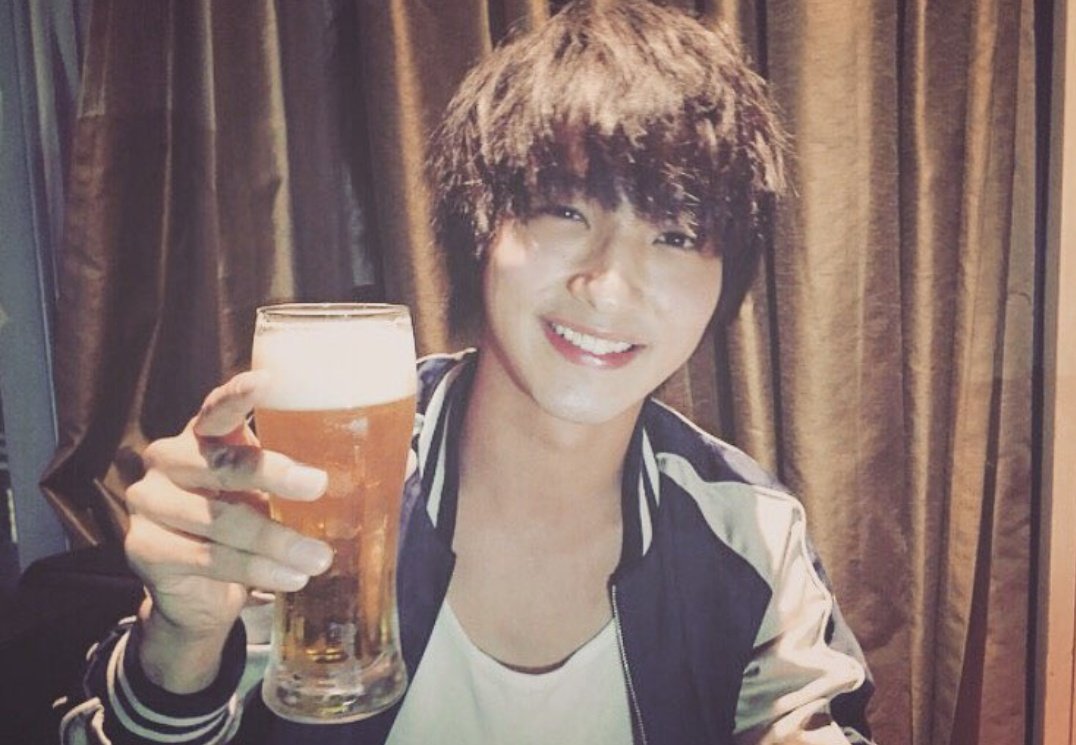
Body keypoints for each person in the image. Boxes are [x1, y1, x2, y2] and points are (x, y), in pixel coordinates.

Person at [61, 2, 875, 743]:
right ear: (480, 228)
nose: (608, 284)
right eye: (564, 209)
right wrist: (182, 640)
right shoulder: (307, 485)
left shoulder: (748, 532)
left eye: (677, 234)